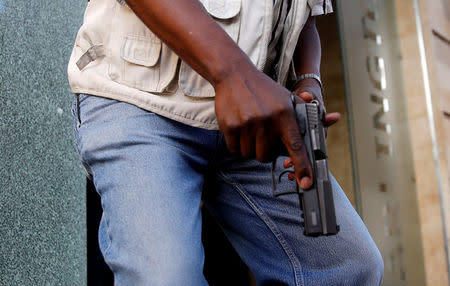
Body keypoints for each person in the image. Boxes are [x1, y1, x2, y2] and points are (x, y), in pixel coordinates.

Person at [68, 0, 384, 284]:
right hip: (140, 99)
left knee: (348, 267)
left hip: (252, 115)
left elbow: (307, 16)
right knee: (167, 278)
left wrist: (307, 81)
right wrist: (233, 74)